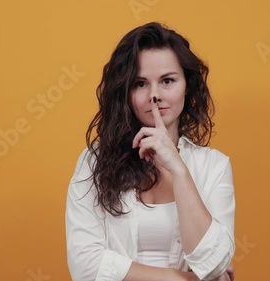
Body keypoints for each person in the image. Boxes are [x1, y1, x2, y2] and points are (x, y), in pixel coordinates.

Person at [65, 22, 236, 281]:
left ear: (186, 86)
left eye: (167, 80)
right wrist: (186, 279)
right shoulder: (94, 162)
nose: (154, 95)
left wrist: (178, 169)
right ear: (126, 91)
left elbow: (212, 263)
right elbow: (86, 266)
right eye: (140, 84)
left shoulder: (213, 166)